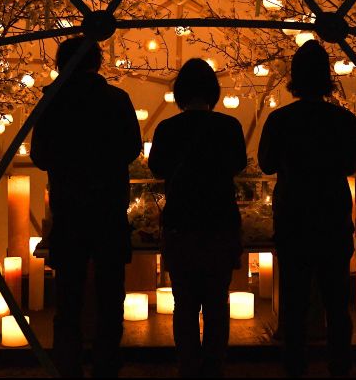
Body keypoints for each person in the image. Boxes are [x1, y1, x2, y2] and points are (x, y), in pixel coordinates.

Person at [30, 37, 142, 378]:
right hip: (108, 210)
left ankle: (68, 365)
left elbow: (39, 155)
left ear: (61, 65)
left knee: (68, 298)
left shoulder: (52, 101)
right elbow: (131, 148)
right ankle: (107, 364)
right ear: (97, 62)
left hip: (68, 212)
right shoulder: (117, 99)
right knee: (111, 295)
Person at [257, 40, 356, 377]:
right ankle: (339, 367)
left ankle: (295, 368)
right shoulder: (344, 120)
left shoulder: (280, 119)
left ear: (294, 78)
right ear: (328, 77)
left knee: (295, 304)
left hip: (294, 220)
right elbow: (349, 164)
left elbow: (267, 164)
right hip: (333, 217)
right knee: (336, 302)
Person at [148, 58, 247, 378]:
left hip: (181, 224)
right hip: (220, 223)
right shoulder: (229, 127)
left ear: (179, 93)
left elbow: (157, 167)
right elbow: (238, 165)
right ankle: (214, 368)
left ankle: (188, 368)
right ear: (213, 92)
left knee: (185, 304)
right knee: (218, 302)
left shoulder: (167, 129)